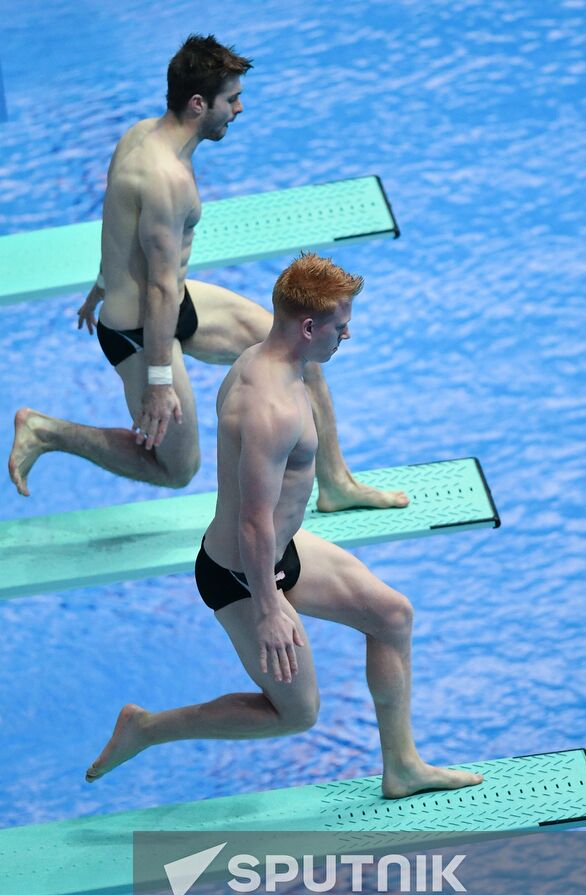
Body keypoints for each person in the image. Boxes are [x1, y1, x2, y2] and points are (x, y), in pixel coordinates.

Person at [86, 253, 483, 797]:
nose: (349, 333)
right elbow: (251, 524)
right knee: (296, 715)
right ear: (308, 326)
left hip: (281, 552)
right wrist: (270, 610)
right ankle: (149, 727)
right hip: (243, 577)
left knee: (392, 616)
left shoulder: (268, 357)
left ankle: (403, 767)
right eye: (341, 325)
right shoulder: (269, 409)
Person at [8, 34, 407, 513]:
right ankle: (47, 431)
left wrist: (101, 282)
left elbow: (119, 225)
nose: (240, 108)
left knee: (303, 349)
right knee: (177, 468)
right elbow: (156, 290)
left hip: (171, 302)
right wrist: (159, 382)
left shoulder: (141, 133)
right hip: (140, 330)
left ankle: (336, 483)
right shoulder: (166, 180)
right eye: (231, 99)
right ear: (198, 103)